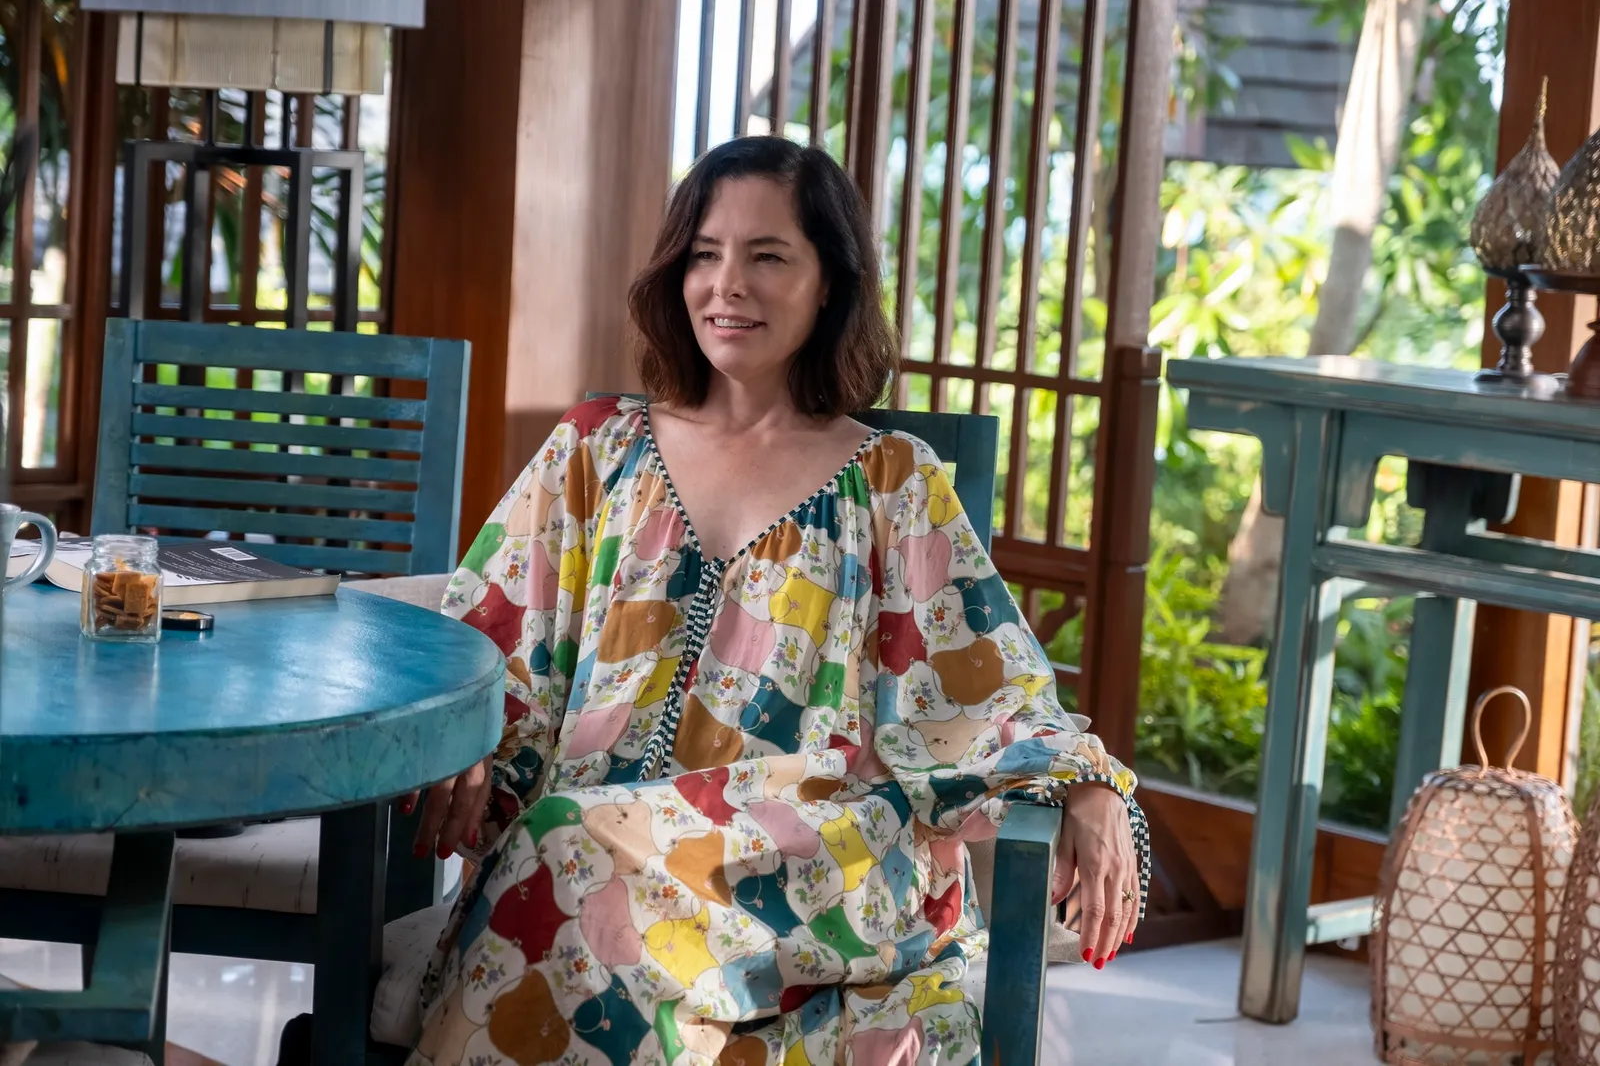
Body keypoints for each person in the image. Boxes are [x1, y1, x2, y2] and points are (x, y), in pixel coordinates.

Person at [403, 135, 1149, 1066]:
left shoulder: (892, 481)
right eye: (705, 255)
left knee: (565, 856)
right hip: (596, 848)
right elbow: (484, 634)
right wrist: (467, 733)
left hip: (820, 857)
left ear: (829, 281)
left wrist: (1089, 781)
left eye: (767, 256)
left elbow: (991, 687)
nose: (728, 285)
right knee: (568, 858)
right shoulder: (596, 450)